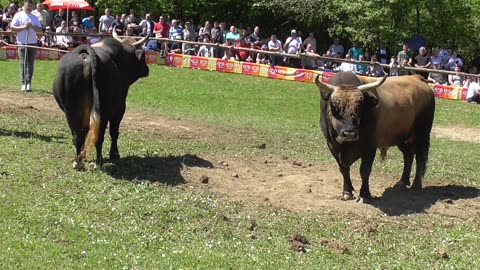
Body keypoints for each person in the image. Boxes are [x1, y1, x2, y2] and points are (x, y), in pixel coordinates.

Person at [10, 0, 42, 92]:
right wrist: (23, 27)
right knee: (23, 63)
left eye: (31, 6)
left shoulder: (34, 17)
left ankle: (29, 83)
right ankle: (23, 83)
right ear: (24, 5)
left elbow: (39, 30)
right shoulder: (18, 15)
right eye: (28, 6)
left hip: (32, 42)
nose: (29, 8)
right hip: (22, 42)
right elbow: (12, 27)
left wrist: (31, 26)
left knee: (30, 64)